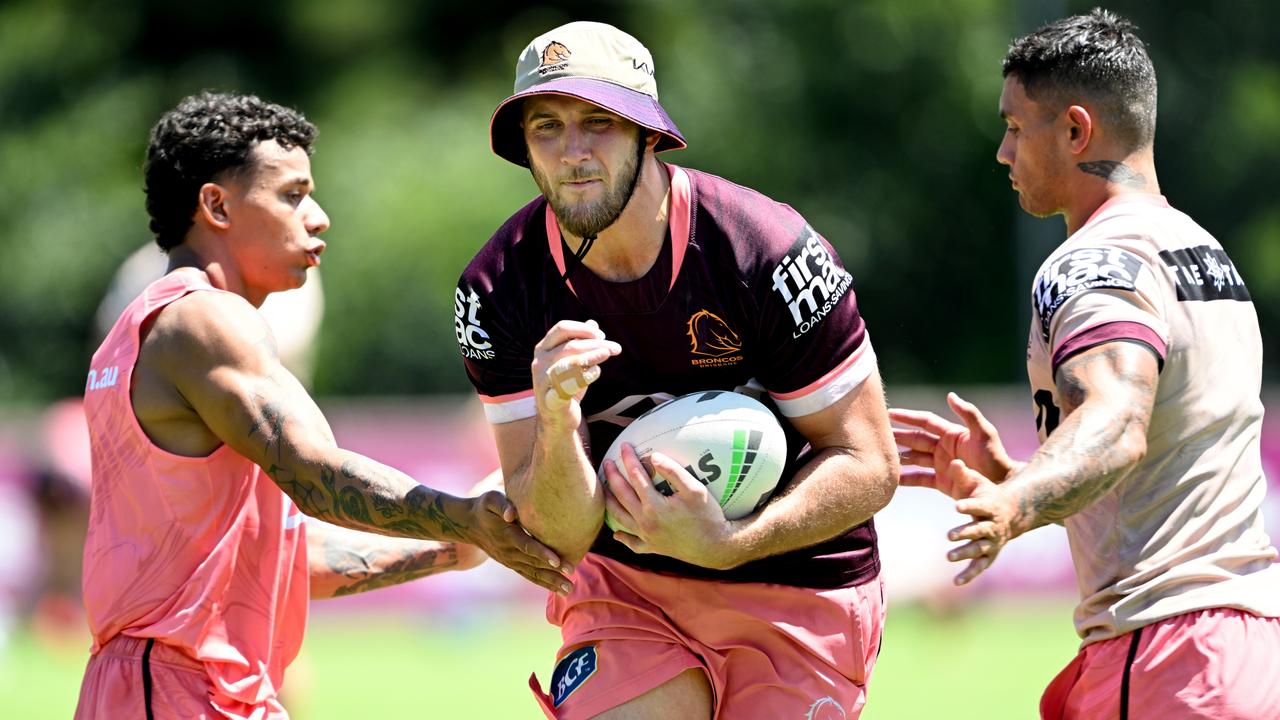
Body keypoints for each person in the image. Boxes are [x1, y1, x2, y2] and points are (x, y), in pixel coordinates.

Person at [74, 91, 571, 719]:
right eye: (292, 194)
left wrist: (460, 545)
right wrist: (460, 514)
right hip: (177, 691)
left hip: (171, 687)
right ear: (216, 205)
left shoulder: (147, 329)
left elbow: (281, 561)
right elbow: (317, 474)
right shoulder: (205, 321)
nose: (318, 216)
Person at [456, 21, 898, 719]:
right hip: (627, 585)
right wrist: (555, 417)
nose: (572, 153)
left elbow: (870, 463)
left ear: (649, 133)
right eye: (547, 127)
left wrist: (732, 544)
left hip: (798, 583)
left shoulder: (767, 251)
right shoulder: (496, 289)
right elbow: (559, 536)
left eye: (597, 123)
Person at [891, 9, 1280, 719]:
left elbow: (1118, 419)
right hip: (1247, 645)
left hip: (1168, 656)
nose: (1003, 153)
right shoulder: (1203, 253)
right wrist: (1020, 478)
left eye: (1015, 127)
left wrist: (1013, 504)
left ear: (1076, 130)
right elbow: (1152, 454)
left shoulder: (1092, 264)